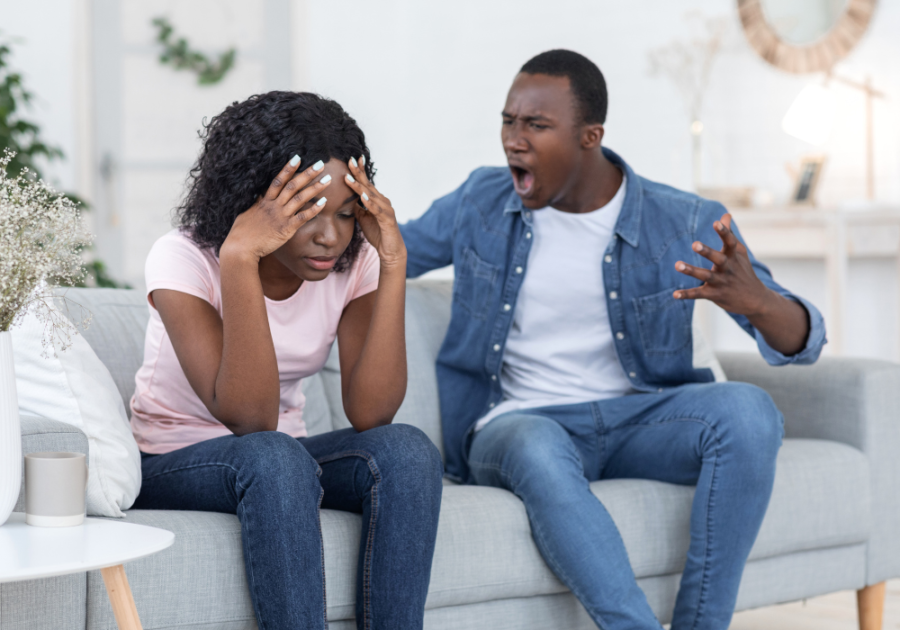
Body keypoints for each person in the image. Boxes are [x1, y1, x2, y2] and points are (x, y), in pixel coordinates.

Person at [399, 50, 826, 630]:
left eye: (537, 126)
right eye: (509, 121)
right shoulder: (482, 200)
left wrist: (758, 301)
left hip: (640, 422)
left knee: (750, 412)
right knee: (535, 446)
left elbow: (804, 342)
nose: (514, 141)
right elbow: (389, 254)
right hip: (521, 421)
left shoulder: (685, 222)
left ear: (590, 136)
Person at [130, 91, 443, 630]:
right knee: (273, 456)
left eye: (346, 215)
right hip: (174, 461)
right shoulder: (183, 258)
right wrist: (239, 257)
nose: (330, 236)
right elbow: (250, 420)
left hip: (286, 462)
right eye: (308, 214)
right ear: (253, 202)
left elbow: (371, 413)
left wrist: (392, 263)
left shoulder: (352, 264)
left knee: (408, 452)